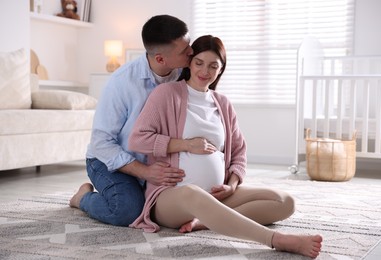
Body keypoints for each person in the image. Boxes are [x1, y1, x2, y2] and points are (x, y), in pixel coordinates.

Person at [128, 35, 323, 258]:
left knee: (285, 202)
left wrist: (231, 184)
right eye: (199, 62)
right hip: (171, 197)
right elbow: (137, 139)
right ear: (189, 62)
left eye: (213, 66)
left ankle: (203, 221)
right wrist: (186, 145)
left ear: (221, 70)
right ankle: (276, 240)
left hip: (217, 194)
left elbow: (239, 150)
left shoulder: (222, 103)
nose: (205, 71)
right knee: (193, 193)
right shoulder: (166, 94)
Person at [69, 15, 193, 226]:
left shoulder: (186, 73)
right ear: (161, 59)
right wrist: (145, 172)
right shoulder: (121, 83)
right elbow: (101, 144)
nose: (191, 52)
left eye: (189, 45)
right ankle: (82, 198)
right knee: (127, 211)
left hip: (157, 162)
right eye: (184, 50)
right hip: (109, 162)